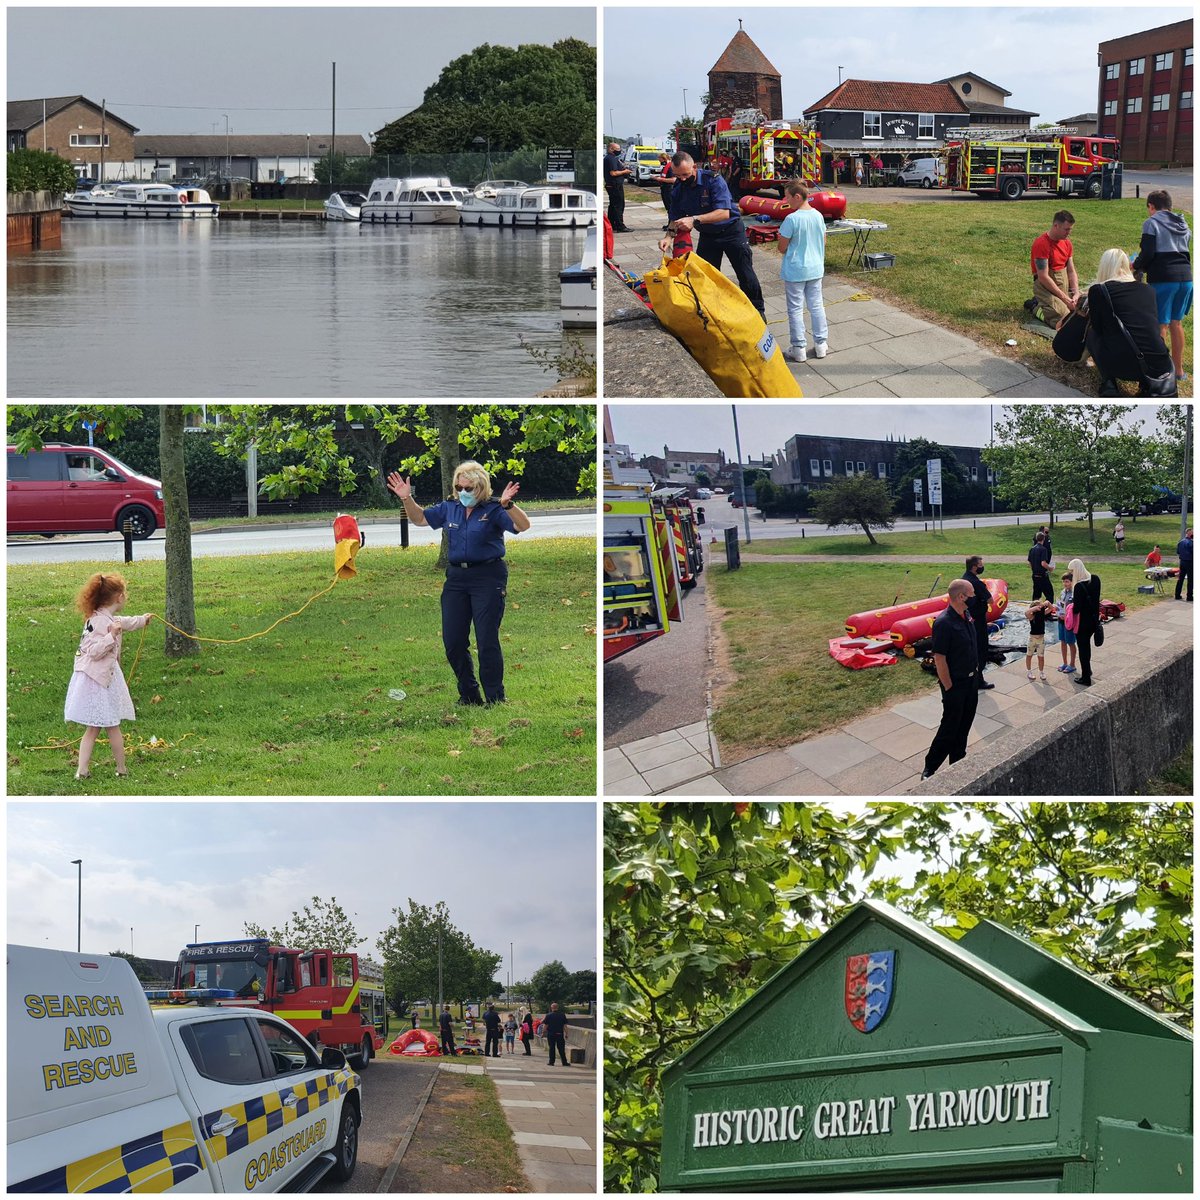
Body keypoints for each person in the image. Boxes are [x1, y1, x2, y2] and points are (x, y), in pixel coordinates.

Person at [386, 462, 530, 705]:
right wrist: (407, 498)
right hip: (456, 579)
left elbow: (522, 525)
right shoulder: (449, 507)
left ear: (481, 487)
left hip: (488, 576)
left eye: (469, 487)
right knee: (453, 641)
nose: (463, 491)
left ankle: (495, 698)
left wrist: (508, 505)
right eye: (459, 486)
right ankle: (469, 695)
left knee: (486, 641)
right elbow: (420, 519)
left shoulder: (494, 508)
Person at [64, 571, 153, 780]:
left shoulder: (107, 617)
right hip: (96, 681)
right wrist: (111, 636)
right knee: (106, 726)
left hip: (105, 679)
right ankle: (111, 769)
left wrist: (143, 620)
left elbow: (125, 622)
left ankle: (91, 770)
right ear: (119, 597)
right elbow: (93, 651)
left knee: (99, 727)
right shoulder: (98, 622)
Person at [659, 151, 765, 318]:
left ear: (695, 167)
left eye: (686, 174)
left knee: (745, 273)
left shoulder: (713, 180)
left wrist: (694, 219)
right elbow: (675, 216)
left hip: (731, 232)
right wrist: (668, 237)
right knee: (706, 275)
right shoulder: (679, 188)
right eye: (678, 176)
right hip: (708, 235)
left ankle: (758, 312)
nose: (683, 179)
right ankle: (714, 311)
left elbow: (724, 213)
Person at [1053, 249, 1173, 396]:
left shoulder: (1099, 290)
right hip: (1159, 367)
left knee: (1093, 334)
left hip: (1122, 366)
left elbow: (1098, 328)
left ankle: (1109, 383)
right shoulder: (1148, 290)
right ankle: (1144, 384)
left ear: (1104, 267)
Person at [922, 581, 980, 779]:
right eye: (972, 594)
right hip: (956, 685)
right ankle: (930, 768)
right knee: (950, 726)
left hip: (971, 682)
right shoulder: (944, 623)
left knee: (964, 724)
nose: (975, 597)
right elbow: (940, 658)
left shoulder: (967, 615)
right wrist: (948, 687)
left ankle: (958, 760)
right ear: (962, 597)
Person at [1132, 190, 1192, 382]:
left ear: (1151, 206)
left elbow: (1148, 253)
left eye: (1149, 209)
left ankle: (1160, 371)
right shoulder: (1184, 223)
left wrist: (1135, 265)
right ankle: (1179, 371)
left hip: (1164, 279)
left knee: (1160, 325)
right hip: (1186, 279)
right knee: (1176, 323)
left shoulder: (1151, 223)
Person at [777, 180, 829, 364]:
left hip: (796, 270)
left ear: (797, 197)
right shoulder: (818, 216)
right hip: (815, 268)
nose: (785, 200)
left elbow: (782, 248)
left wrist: (782, 239)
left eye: (788, 196)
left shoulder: (792, 219)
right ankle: (821, 344)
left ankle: (798, 347)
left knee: (795, 309)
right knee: (816, 306)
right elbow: (823, 241)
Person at [1028, 211, 1079, 325]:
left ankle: (1047, 304)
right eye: (1066, 229)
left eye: (1070, 229)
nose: (1069, 233)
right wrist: (1066, 300)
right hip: (1046, 288)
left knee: (1085, 307)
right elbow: (1043, 277)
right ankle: (1035, 306)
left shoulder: (1067, 244)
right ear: (1056, 226)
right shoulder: (1042, 244)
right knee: (1063, 316)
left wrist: (1076, 293)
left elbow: (1071, 271)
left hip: (1063, 287)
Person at [961, 555, 995, 690]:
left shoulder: (963, 579)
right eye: (980, 564)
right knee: (980, 648)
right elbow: (990, 600)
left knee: (970, 648)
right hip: (978, 620)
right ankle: (978, 679)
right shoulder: (976, 583)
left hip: (967, 618)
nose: (982, 566)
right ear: (975, 567)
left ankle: (969, 677)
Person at [1067, 557, 1101, 687]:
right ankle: (1088, 670)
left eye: (1072, 571)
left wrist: (1070, 606)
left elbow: (1077, 609)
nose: (1071, 574)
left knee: (1083, 649)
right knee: (1087, 648)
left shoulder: (1079, 587)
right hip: (1094, 620)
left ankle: (1086, 677)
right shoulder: (1096, 579)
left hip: (1082, 624)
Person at [603, 142, 632, 232]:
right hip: (615, 185)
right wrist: (625, 171)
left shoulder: (610, 158)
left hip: (612, 184)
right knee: (618, 205)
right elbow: (613, 173)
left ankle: (612, 224)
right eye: (618, 149)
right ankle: (620, 225)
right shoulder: (611, 159)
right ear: (611, 149)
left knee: (613, 205)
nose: (619, 151)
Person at [1024, 599, 1054, 681]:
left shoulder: (1042, 614)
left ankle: (1041, 672)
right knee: (1029, 655)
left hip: (1041, 640)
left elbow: (1051, 608)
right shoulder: (1032, 617)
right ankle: (1029, 671)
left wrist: (1047, 603)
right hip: (1032, 639)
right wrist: (1035, 608)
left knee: (1041, 657)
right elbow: (1026, 613)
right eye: (1038, 607)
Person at [1056, 571, 1078, 674]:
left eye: (1067, 581)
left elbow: (1075, 609)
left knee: (1070, 642)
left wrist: (1067, 616)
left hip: (1069, 622)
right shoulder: (1063, 592)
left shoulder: (1075, 593)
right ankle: (1064, 662)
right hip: (1060, 620)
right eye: (1064, 582)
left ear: (1072, 582)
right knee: (1063, 642)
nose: (1065, 584)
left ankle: (1072, 664)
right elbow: (1060, 605)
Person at [1028, 530, 1055, 603]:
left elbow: (1029, 562)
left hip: (1034, 575)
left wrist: (1034, 570)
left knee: (1036, 594)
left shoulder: (1032, 549)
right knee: (1049, 594)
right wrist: (1049, 568)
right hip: (1042, 575)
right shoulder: (1043, 549)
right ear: (1044, 539)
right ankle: (1048, 610)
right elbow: (1043, 563)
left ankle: (1034, 609)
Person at [650, 152, 674, 228]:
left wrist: (660, 179)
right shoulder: (665, 166)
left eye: (659, 159)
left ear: (663, 158)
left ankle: (671, 225)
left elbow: (673, 179)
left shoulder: (670, 167)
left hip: (669, 189)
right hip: (665, 188)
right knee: (668, 208)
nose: (659, 161)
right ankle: (669, 223)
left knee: (671, 208)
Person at [542, 1001, 570, 1067]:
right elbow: (565, 1026)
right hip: (559, 1034)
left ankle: (551, 1062)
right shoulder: (562, 1015)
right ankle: (564, 1062)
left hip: (551, 1034)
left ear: (552, 1008)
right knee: (561, 1048)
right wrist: (566, 1033)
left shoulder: (548, 1015)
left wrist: (543, 1033)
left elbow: (545, 1025)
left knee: (551, 1048)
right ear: (557, 1008)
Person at [1176, 527, 1193, 601]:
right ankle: (1189, 596)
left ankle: (1177, 594)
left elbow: (1178, 552)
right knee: (1190, 580)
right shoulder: (1192, 543)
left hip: (1182, 562)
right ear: (1189, 533)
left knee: (1180, 579)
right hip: (1190, 562)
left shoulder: (1180, 542)